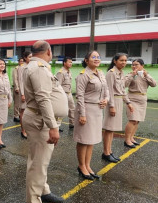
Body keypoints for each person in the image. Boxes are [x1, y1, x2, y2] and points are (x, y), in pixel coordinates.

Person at [23, 41, 67, 203]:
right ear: (49, 51)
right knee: (38, 162)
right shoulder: (39, 68)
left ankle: (43, 190)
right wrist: (53, 126)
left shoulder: (37, 66)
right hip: (41, 121)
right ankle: (32, 200)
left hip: (42, 120)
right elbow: (43, 99)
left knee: (42, 160)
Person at [74, 51, 109, 180]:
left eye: (98, 57)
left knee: (91, 140)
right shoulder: (83, 75)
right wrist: (82, 114)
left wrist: (106, 99)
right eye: (93, 57)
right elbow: (80, 96)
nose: (96, 59)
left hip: (97, 110)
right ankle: (81, 166)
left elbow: (106, 90)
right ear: (86, 60)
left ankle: (87, 165)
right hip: (86, 109)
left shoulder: (100, 73)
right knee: (84, 140)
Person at [102, 53, 133, 163]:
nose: (124, 63)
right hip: (113, 101)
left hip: (119, 101)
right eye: (121, 60)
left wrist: (128, 103)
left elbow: (122, 90)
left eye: (125, 60)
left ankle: (109, 151)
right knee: (109, 129)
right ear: (115, 61)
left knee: (112, 129)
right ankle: (106, 153)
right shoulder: (111, 73)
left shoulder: (121, 72)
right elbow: (109, 91)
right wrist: (111, 106)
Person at [124, 59, 156, 147]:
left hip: (142, 99)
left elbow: (154, 84)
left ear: (142, 66)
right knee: (133, 119)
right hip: (132, 99)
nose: (134, 66)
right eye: (133, 65)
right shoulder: (130, 74)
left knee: (137, 121)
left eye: (136, 64)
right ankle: (127, 140)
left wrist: (146, 75)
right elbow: (124, 84)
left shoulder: (146, 75)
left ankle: (131, 138)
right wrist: (132, 75)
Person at [56, 56, 75, 131]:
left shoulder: (69, 72)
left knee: (72, 108)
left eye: (71, 62)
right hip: (63, 94)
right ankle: (57, 126)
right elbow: (58, 85)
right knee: (61, 110)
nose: (71, 64)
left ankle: (72, 124)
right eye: (69, 62)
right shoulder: (61, 73)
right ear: (64, 63)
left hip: (69, 93)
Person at [18, 51, 32, 139]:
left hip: (30, 93)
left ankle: (28, 129)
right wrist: (22, 94)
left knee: (29, 112)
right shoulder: (22, 67)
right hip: (24, 93)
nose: (31, 58)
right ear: (25, 58)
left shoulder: (32, 67)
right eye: (29, 57)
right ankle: (23, 130)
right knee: (22, 112)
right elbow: (20, 81)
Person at [12, 58, 24, 122]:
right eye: (21, 61)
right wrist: (17, 87)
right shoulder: (16, 69)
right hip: (18, 88)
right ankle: (16, 116)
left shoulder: (24, 68)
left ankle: (20, 114)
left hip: (23, 88)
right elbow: (15, 79)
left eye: (23, 61)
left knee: (22, 103)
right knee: (17, 103)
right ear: (18, 62)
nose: (22, 62)